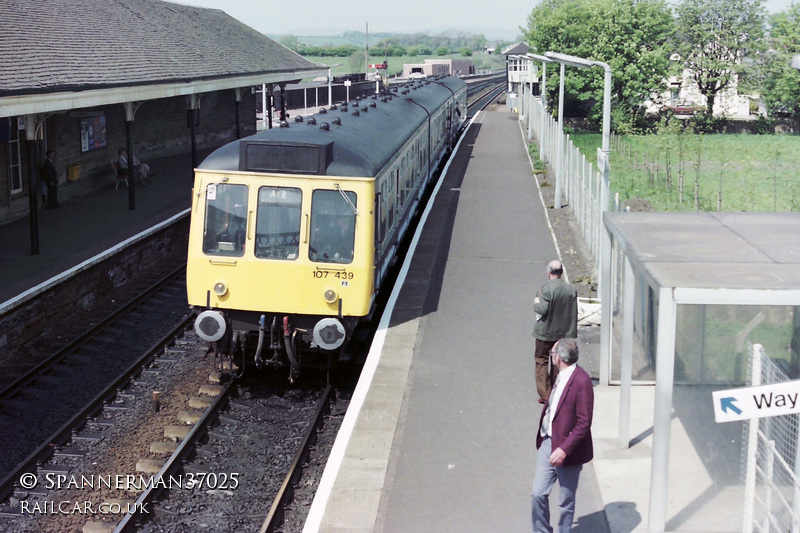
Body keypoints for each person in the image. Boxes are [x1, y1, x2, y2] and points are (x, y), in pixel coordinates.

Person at [532, 338, 594, 533]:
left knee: (565, 501)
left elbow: (584, 423)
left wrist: (564, 449)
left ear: (558, 358)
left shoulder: (582, 382)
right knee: (538, 494)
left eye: (552, 354)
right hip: (548, 442)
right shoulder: (560, 375)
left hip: (568, 450)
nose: (551, 357)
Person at [533, 259, 578, 404]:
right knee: (558, 361)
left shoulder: (546, 289)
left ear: (549, 272)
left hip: (545, 333)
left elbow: (542, 309)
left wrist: (536, 303)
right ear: (562, 273)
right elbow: (573, 313)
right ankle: (556, 389)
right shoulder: (571, 290)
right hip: (562, 333)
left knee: (541, 360)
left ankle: (545, 394)